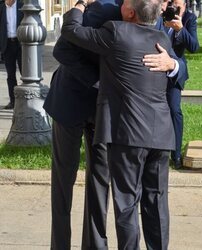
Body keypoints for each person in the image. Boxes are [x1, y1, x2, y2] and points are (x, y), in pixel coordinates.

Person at [61, 0, 187, 248]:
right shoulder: (162, 37)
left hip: (128, 135)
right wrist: (173, 62)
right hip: (161, 135)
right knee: (157, 202)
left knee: (127, 204)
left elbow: (71, 31)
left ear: (130, 12)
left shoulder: (116, 32)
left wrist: (80, 4)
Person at [43, 1, 123, 249]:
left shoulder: (142, 13)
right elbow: (62, 52)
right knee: (63, 180)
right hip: (69, 101)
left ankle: (95, 245)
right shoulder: (102, 10)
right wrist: (99, 83)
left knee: (100, 178)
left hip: (102, 111)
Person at [145, 0, 199, 169]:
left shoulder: (189, 18)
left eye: (177, 5)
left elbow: (194, 47)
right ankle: (151, 150)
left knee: (174, 110)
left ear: (184, 5)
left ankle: (176, 154)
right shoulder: (158, 16)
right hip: (155, 69)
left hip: (175, 71)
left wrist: (180, 30)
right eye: (170, 4)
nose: (173, 9)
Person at [0, 0, 23, 109]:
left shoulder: (22, 6)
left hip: (21, 45)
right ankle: (13, 101)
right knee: (10, 75)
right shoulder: (1, 8)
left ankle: (26, 100)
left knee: (26, 74)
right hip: (7, 45)